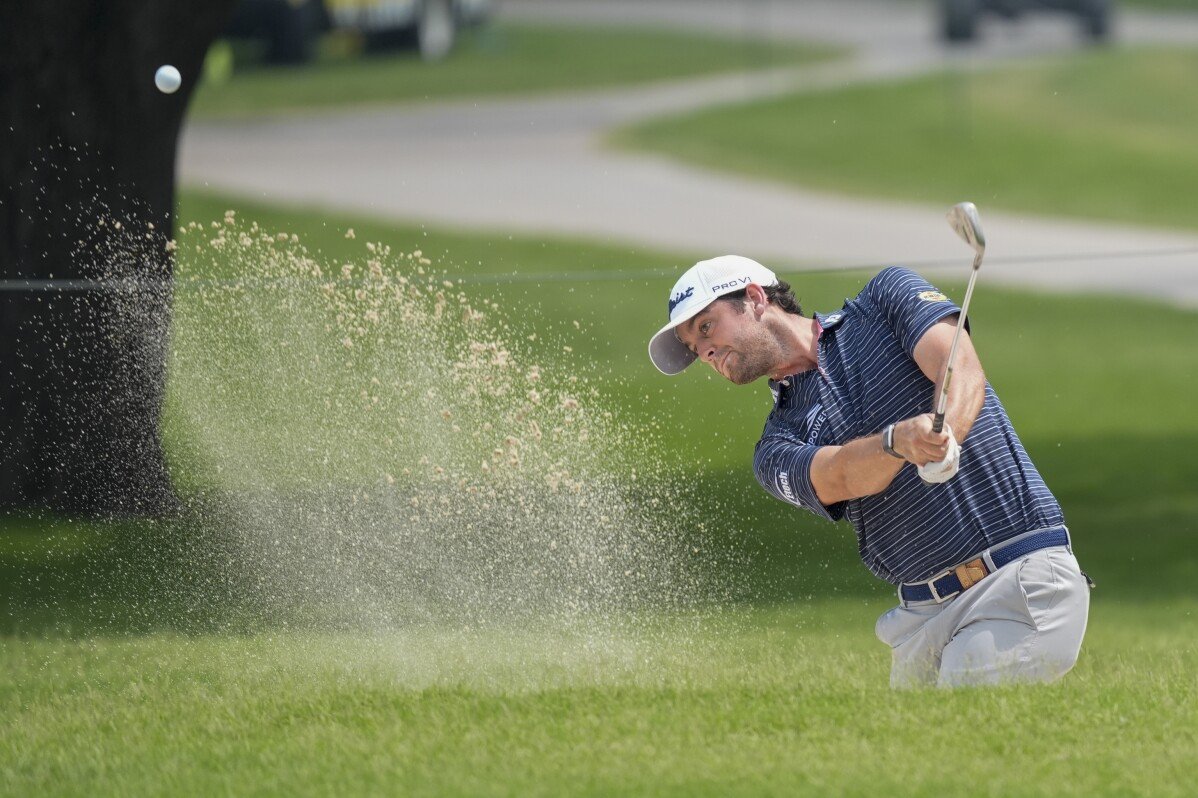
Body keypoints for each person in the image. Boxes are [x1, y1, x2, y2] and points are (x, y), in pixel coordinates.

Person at [648, 255, 1091, 688]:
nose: (704, 351)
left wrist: (946, 435)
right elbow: (841, 475)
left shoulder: (884, 299)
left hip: (1013, 578)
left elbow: (959, 369)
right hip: (919, 617)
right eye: (693, 348)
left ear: (755, 297)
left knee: (960, 740)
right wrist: (895, 443)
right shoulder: (775, 446)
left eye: (706, 327)